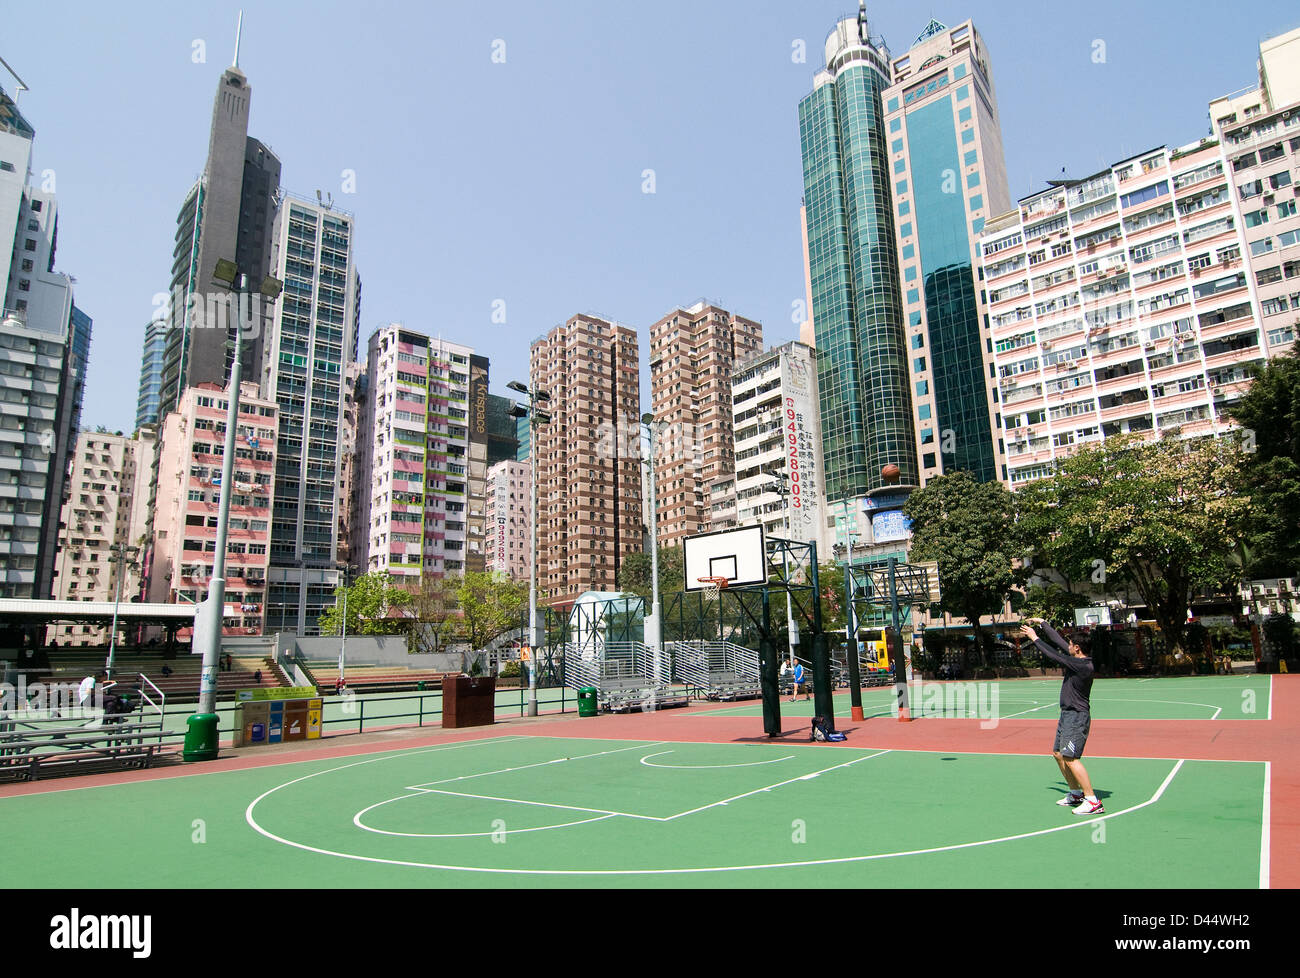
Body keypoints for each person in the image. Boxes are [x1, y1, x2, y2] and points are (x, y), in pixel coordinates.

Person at [1022, 619, 1103, 816]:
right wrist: (1043, 624)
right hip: (1067, 715)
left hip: (1076, 717)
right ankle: (1076, 793)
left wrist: (1035, 638)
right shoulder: (1077, 659)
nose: (1067, 646)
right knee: (1058, 754)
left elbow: (1054, 654)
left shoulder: (1083, 665)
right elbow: (1058, 641)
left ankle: (1092, 800)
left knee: (1071, 758)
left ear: (1077, 648)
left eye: (1070, 645)